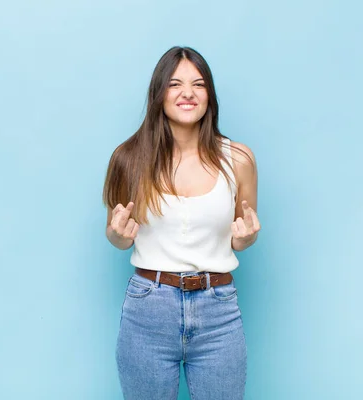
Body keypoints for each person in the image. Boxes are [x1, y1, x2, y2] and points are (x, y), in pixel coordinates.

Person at [102, 46, 261, 400]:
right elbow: (120, 237)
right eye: (175, 84)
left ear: (210, 96)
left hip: (218, 308)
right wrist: (115, 235)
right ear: (159, 94)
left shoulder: (238, 159)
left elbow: (240, 236)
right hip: (148, 309)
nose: (187, 93)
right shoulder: (128, 158)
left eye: (198, 84)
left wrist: (246, 240)